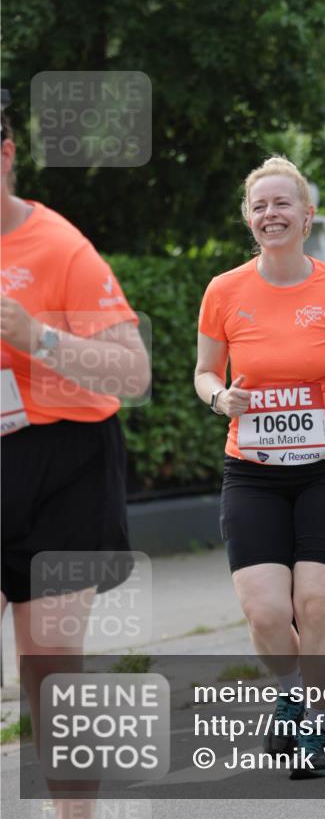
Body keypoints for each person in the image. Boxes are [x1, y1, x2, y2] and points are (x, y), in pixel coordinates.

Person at [194, 156, 325, 779]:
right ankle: (290, 694)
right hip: (253, 471)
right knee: (267, 612)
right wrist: (220, 398)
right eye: (259, 206)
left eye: (282, 204)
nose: (270, 214)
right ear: (248, 219)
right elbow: (204, 373)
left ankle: (317, 729)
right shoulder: (224, 291)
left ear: (307, 215)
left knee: (317, 604)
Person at [0, 97, 150, 818]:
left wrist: (39, 338)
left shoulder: (59, 249)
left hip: (66, 465)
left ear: (5, 156)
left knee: (52, 669)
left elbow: (134, 374)